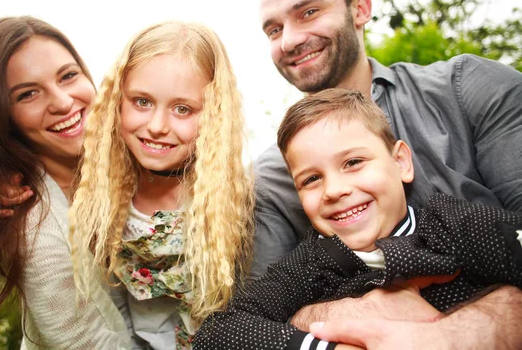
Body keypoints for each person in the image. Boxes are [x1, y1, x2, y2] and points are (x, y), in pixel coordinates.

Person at [250, 0, 522, 347]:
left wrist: (472, 328)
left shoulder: (469, 89)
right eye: (273, 30)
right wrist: (341, 312)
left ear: (359, 9)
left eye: (308, 12)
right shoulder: (272, 179)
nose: (290, 40)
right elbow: (257, 314)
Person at [193, 88, 522, 350]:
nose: (334, 190)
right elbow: (218, 333)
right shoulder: (309, 264)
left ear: (402, 163)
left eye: (353, 163)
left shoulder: (450, 225)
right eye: (311, 179)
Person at [0, 16, 131, 350]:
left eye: (68, 75)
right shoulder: (30, 218)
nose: (63, 102)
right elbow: (83, 342)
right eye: (28, 94)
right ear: (2, 117)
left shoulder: (139, 152)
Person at [70, 21, 254, 349]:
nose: (157, 126)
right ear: (118, 100)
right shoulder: (102, 192)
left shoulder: (230, 202)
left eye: (182, 109)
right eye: (142, 102)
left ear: (214, 116)